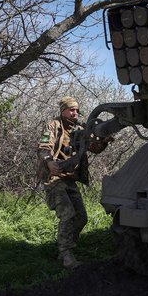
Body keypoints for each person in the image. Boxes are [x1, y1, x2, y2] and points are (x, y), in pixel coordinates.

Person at [37, 96, 111, 269]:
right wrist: (49, 163)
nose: (75, 113)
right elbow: (43, 147)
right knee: (68, 214)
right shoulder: (53, 126)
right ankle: (66, 255)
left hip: (70, 178)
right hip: (55, 178)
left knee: (81, 218)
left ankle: (67, 247)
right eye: (71, 110)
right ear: (63, 110)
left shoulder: (80, 128)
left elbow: (94, 148)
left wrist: (104, 141)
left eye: (77, 110)